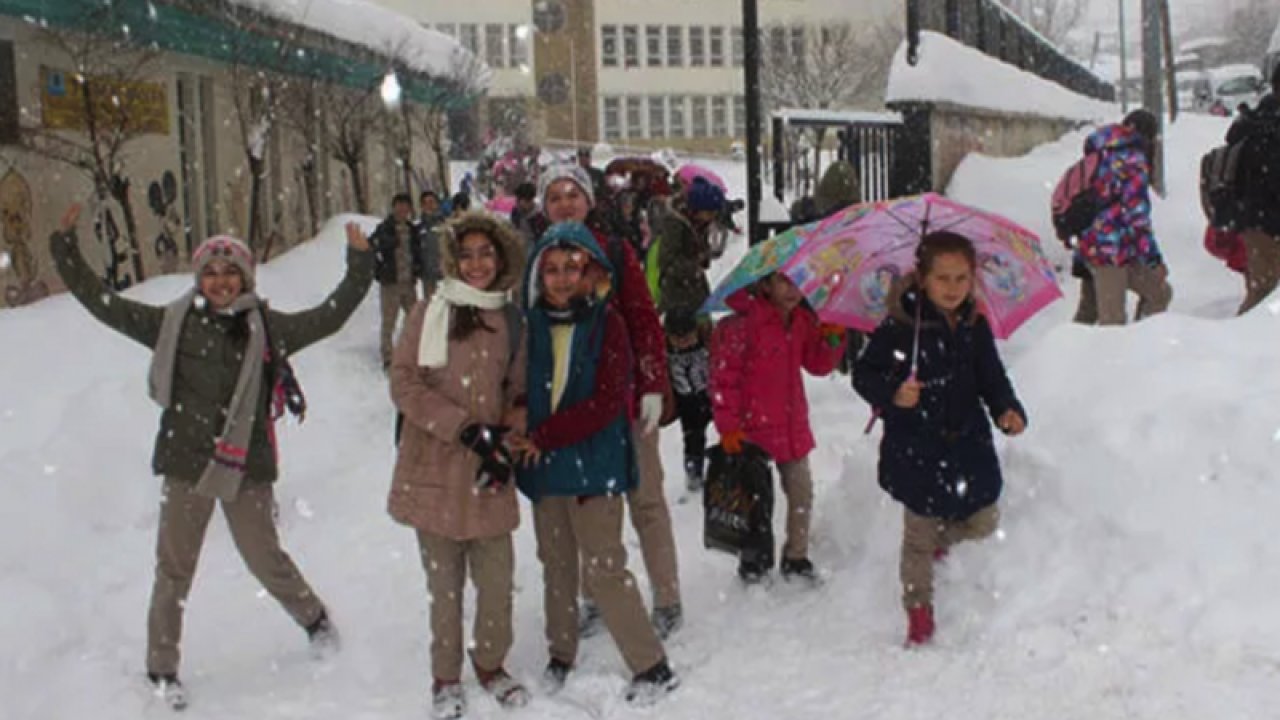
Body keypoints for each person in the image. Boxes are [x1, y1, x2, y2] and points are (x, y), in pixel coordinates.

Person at [48, 203, 374, 708]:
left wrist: (360, 263)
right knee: (173, 569)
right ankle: (162, 668)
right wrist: (66, 249)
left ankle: (315, 620)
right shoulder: (172, 324)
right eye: (211, 272)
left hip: (247, 465)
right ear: (200, 278)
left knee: (265, 558)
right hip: (186, 462)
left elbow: (330, 317)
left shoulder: (268, 328)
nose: (221, 282)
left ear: (246, 277)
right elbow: (104, 304)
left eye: (230, 272)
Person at [508, 221, 679, 706]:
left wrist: (544, 436)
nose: (562, 279)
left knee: (605, 568)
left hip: (593, 464)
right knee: (557, 565)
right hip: (546, 468)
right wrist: (519, 421)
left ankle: (650, 664)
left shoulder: (609, 326)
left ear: (591, 274)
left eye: (573, 268)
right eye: (552, 270)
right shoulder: (532, 326)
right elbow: (518, 386)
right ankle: (561, 652)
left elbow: (605, 403)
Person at [852, 231, 1027, 646]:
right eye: (943, 278)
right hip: (917, 447)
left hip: (968, 445)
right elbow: (864, 374)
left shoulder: (974, 325)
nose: (952, 288)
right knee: (918, 536)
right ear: (923, 279)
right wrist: (895, 394)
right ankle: (918, 610)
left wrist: (1007, 409)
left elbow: (991, 377)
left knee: (982, 519)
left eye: (961, 278)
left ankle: (944, 542)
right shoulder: (901, 327)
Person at [387, 212, 528, 719]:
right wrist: (463, 428)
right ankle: (445, 677)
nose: (476, 264)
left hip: (489, 470)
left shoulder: (512, 319)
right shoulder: (429, 311)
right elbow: (404, 383)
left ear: (501, 258)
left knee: (496, 582)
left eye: (485, 254)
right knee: (443, 589)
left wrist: (505, 445)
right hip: (434, 467)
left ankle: (490, 663)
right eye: (466, 255)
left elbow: (519, 392)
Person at [536, 165, 683, 638]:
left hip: (628, 401)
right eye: (555, 196)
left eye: (572, 193)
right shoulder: (540, 259)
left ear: (588, 200)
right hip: (577, 408)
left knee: (646, 501)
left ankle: (667, 596)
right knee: (590, 506)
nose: (564, 203)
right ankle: (597, 593)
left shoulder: (616, 252)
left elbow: (643, 319)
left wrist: (653, 383)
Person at [709, 272, 846, 585]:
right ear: (765, 285)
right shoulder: (744, 324)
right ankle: (754, 560)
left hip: (790, 424)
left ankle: (796, 556)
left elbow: (817, 364)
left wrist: (832, 338)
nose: (792, 291)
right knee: (756, 501)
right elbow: (724, 379)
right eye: (784, 282)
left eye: (799, 283)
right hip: (751, 429)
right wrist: (728, 426)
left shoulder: (801, 321)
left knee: (801, 493)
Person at [1076, 109, 1172, 326]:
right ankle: (1139, 340)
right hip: (1109, 250)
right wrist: (1153, 260)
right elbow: (1137, 218)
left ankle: (1066, 346)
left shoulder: (1099, 150)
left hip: (1089, 245)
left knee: (1087, 314)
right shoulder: (1132, 160)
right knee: (1113, 323)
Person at [1226, 63, 1280, 314]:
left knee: (1262, 290)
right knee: (1265, 295)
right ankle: (1245, 334)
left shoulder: (1254, 119)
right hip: (1268, 223)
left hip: (1253, 221)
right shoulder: (1269, 128)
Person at [371, 194, 432, 369]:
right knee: (389, 322)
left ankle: (413, 354)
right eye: (399, 206)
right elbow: (372, 248)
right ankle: (388, 357)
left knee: (415, 320)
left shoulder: (412, 230)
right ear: (393, 207)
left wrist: (418, 269)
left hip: (409, 283)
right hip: (390, 283)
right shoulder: (384, 228)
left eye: (406, 207)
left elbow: (418, 252)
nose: (402, 210)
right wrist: (379, 271)